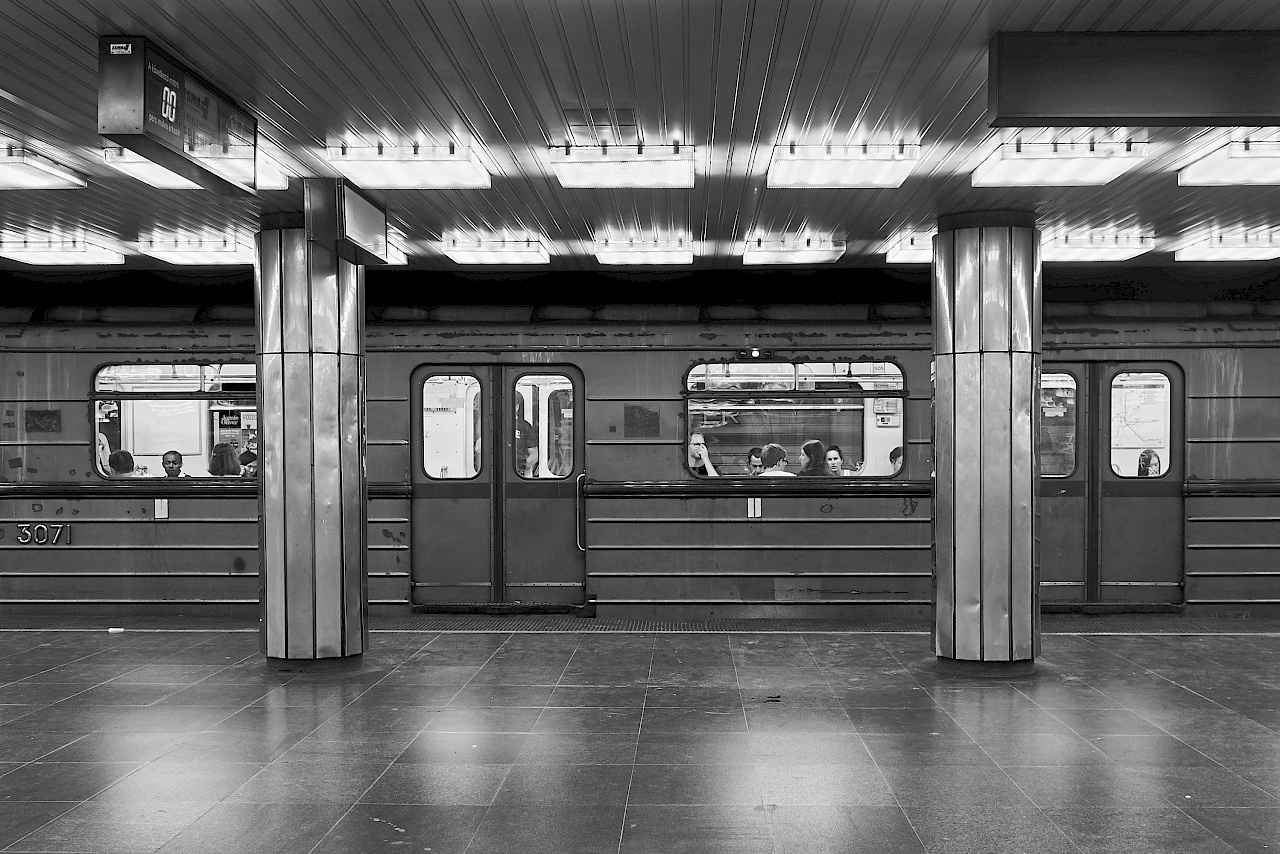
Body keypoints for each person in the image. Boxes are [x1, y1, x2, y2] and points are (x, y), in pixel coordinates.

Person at [514, 396, 539, 477]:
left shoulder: (525, 426)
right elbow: (478, 448)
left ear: (517, 407)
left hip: (518, 473)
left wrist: (520, 469)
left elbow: (534, 456)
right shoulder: (494, 424)